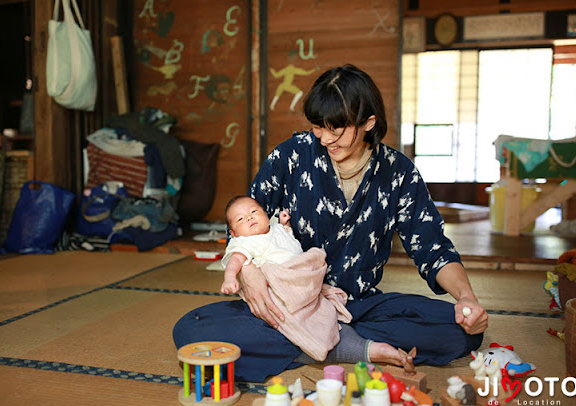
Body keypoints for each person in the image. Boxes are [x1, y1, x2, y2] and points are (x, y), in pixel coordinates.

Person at [173, 64, 488, 383]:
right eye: (317, 127)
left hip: (360, 304)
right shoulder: (292, 155)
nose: (323, 138)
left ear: (368, 123)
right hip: (291, 305)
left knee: (461, 331)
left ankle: (330, 341)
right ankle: (350, 346)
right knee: (192, 330)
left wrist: (466, 298)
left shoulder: (398, 173)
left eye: (335, 129)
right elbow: (240, 225)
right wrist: (249, 273)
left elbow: (433, 250)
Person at [220, 195, 353, 361]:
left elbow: (289, 242)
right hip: (281, 283)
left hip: (301, 274)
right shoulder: (244, 243)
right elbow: (235, 261)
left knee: (315, 255)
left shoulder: (276, 229)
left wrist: (285, 224)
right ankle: (313, 338)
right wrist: (230, 278)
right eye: (240, 219)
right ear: (233, 233)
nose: (249, 217)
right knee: (291, 316)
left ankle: (322, 321)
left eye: (254, 211)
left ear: (266, 214)